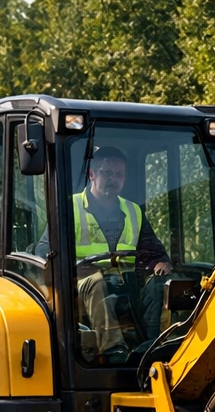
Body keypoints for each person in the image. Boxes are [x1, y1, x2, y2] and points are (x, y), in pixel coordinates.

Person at [72, 146, 172, 363]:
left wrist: (161, 263)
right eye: (107, 173)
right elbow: (45, 250)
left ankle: (152, 346)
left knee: (161, 285)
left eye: (119, 175)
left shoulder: (133, 210)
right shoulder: (71, 207)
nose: (113, 179)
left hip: (125, 283)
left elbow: (153, 250)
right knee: (97, 282)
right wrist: (74, 268)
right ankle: (114, 351)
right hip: (81, 286)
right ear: (92, 174)